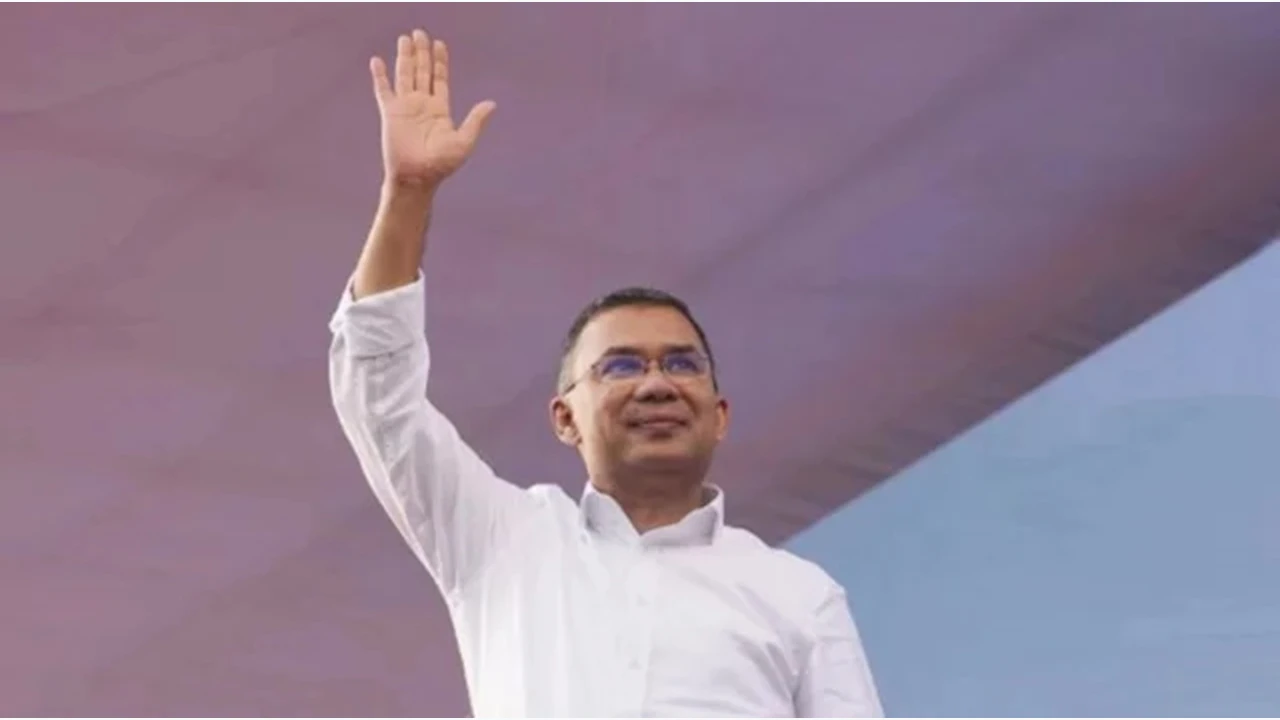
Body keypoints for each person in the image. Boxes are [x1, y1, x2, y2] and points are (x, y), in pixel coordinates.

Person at [328, 28, 884, 719]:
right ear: (565, 416)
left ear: (720, 413)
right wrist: (408, 193)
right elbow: (379, 402)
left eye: (683, 364)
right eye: (620, 366)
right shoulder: (503, 540)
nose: (656, 383)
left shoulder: (798, 595)